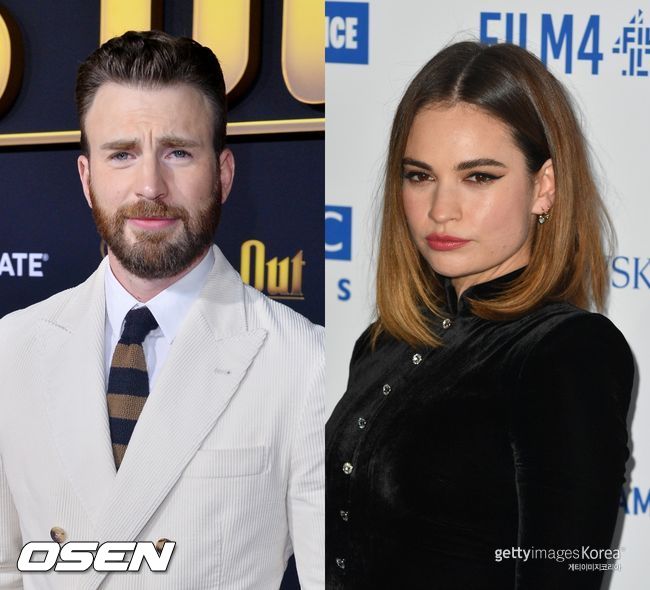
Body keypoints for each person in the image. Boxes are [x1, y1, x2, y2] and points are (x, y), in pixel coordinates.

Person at [0, 31, 324, 589]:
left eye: (178, 152)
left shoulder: (305, 363)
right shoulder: (13, 349)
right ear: (87, 179)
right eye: (122, 154)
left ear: (223, 174)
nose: (150, 185)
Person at [326, 41, 634, 589]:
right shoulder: (381, 344)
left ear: (544, 187)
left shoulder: (566, 352)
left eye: (479, 177)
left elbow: (565, 575)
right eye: (420, 176)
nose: (441, 210)